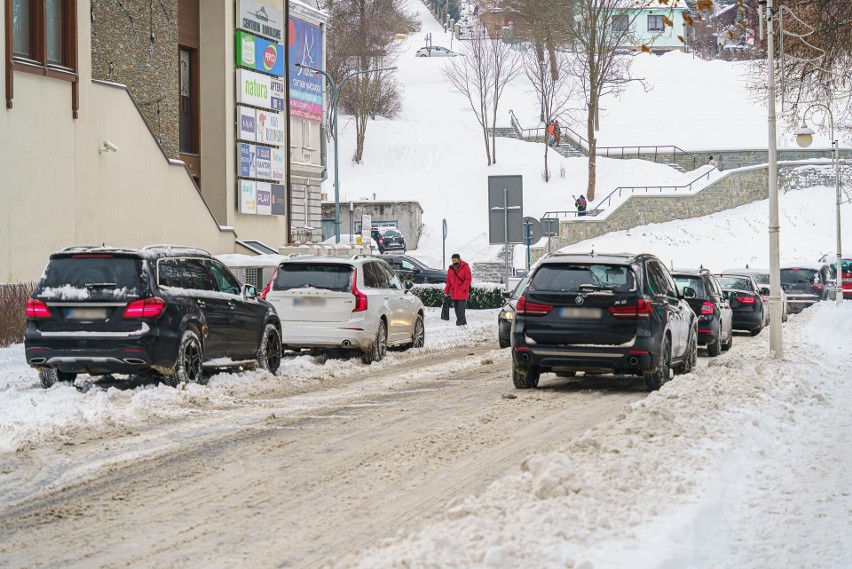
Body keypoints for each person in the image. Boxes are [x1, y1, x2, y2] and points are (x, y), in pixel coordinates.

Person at [444, 253, 471, 326]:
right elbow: (448, 282)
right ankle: (464, 324)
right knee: (457, 310)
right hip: (454, 292)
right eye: (452, 260)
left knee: (460, 310)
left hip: (462, 292)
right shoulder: (450, 269)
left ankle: (458, 325)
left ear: (459, 260)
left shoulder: (465, 267)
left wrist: (462, 288)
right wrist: (446, 291)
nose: (453, 261)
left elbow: (468, 279)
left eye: (455, 259)